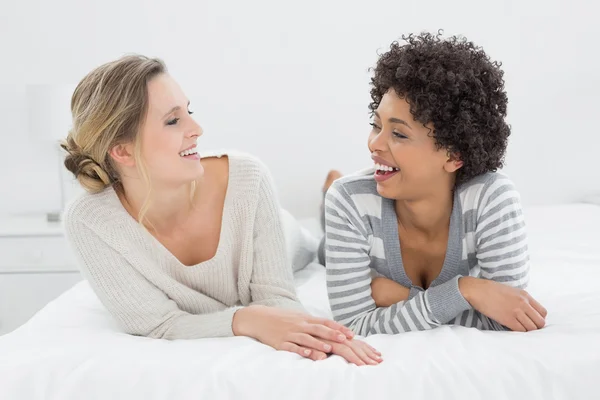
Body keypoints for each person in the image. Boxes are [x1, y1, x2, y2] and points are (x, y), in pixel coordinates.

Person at [61, 54, 381, 365]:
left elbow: (277, 297)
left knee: (324, 250)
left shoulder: (247, 178)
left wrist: (326, 338)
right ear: (122, 151)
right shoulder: (90, 222)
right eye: (173, 120)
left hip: (290, 240)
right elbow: (158, 324)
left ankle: (330, 201)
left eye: (189, 112)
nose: (197, 128)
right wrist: (245, 319)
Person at [320, 31, 548, 336]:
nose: (374, 144)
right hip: (349, 217)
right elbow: (353, 325)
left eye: (398, 134)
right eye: (376, 125)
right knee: (319, 249)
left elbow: (505, 320)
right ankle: (325, 199)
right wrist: (467, 292)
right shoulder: (348, 201)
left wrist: (401, 296)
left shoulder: (492, 199)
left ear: (454, 155)